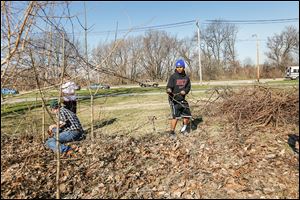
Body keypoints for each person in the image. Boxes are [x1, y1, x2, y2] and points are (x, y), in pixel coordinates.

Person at [166, 59, 192, 138]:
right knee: (176, 117)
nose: (179, 68)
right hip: (173, 99)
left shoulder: (186, 78)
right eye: (177, 67)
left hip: (182, 99)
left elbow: (188, 87)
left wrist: (185, 91)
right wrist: (169, 90)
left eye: (181, 67)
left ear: (183, 67)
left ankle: (183, 130)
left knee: (187, 116)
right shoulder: (173, 77)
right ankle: (172, 132)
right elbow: (168, 87)